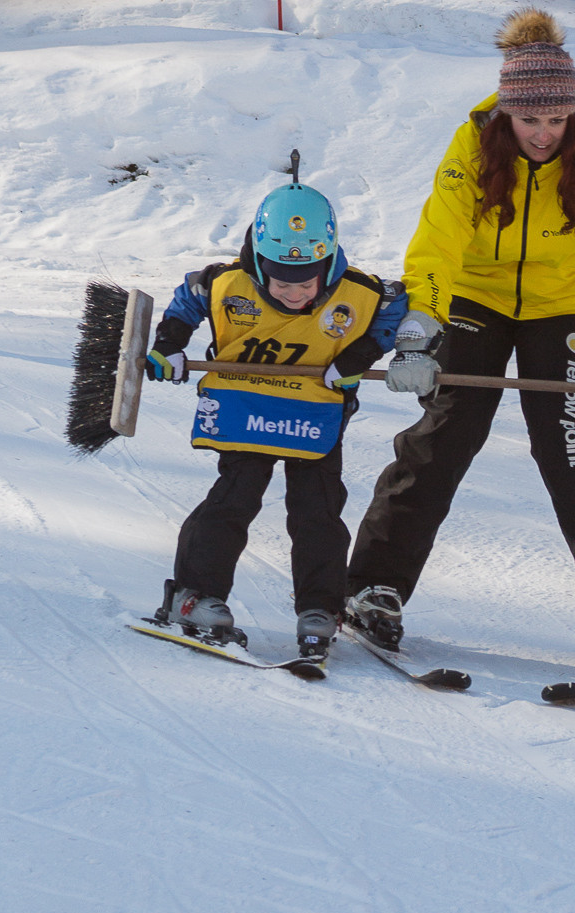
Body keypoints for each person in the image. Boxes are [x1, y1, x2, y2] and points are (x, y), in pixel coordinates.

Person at [345, 7, 575, 672]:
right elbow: (437, 241)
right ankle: (373, 587)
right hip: (474, 297)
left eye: (556, 121)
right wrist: (418, 331)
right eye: (530, 120)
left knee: (569, 443)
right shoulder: (471, 144)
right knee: (446, 430)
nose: (544, 134)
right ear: (506, 113)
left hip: (563, 305)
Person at [144, 180, 407, 662]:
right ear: (258, 263)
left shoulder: (363, 293)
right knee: (234, 500)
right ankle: (194, 596)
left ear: (328, 267)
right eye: (280, 281)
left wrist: (363, 353)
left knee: (318, 511)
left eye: (305, 282)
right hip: (245, 407)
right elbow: (189, 299)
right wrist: (170, 342)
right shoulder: (225, 283)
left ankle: (320, 609)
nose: (292, 291)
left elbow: (395, 317)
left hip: (314, 413)